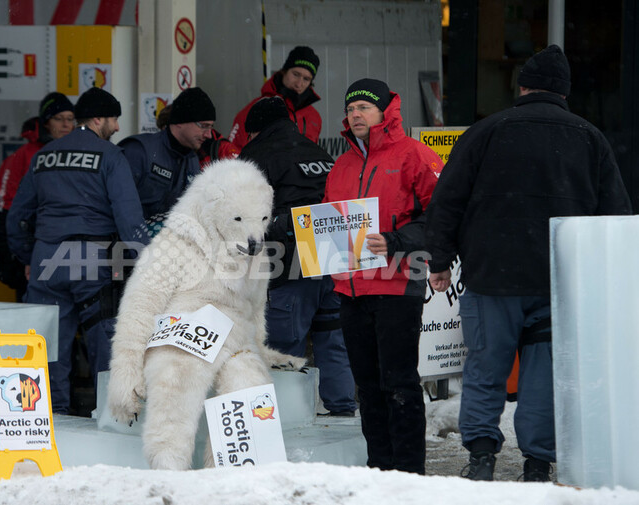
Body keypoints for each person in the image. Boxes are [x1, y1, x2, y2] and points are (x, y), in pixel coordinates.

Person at [425, 45, 632, 482]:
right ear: (564, 92)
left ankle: (481, 459)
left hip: (491, 278)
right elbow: (614, 217)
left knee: (485, 367)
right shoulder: (591, 138)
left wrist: (440, 260)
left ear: (521, 87)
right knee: (542, 377)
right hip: (556, 283)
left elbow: (446, 202)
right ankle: (537, 463)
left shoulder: (484, 133)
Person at [323, 78, 443, 474]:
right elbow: (328, 221)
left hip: (397, 285)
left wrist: (394, 240)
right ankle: (379, 472)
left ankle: (409, 476)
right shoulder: (341, 163)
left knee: (399, 385)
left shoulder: (414, 155)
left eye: (363, 107)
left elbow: (440, 218)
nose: (355, 114)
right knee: (369, 388)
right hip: (351, 291)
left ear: (384, 111)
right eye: (350, 108)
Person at [7, 87, 147, 415]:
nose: (116, 128)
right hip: (90, 259)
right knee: (106, 348)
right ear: (98, 119)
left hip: (47, 259)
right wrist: (146, 262)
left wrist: (30, 257)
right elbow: (129, 219)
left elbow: (17, 218)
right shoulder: (110, 156)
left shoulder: (44, 156)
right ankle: (109, 419)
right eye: (113, 119)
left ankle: (47, 420)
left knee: (47, 349)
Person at [238, 97, 357, 417]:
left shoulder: (255, 156)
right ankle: (344, 410)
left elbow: (248, 219)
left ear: (254, 131)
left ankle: (283, 419)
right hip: (334, 257)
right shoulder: (317, 152)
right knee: (333, 340)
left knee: (282, 346)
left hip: (289, 267)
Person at [0, 92, 75, 301]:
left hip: (71, 250)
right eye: (59, 118)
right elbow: (6, 209)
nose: (66, 124)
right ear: (46, 122)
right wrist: (10, 258)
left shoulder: (80, 152)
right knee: (34, 313)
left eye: (69, 119)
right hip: (34, 249)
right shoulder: (23, 156)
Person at [119, 87, 216, 226]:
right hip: (131, 244)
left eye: (211, 127)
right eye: (203, 126)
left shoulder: (192, 161)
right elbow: (117, 206)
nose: (209, 134)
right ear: (180, 121)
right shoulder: (140, 151)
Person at [229, 46, 322, 150]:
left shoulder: (314, 117)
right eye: (296, 74)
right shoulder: (255, 110)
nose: (299, 83)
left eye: (306, 79)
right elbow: (234, 153)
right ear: (284, 71)